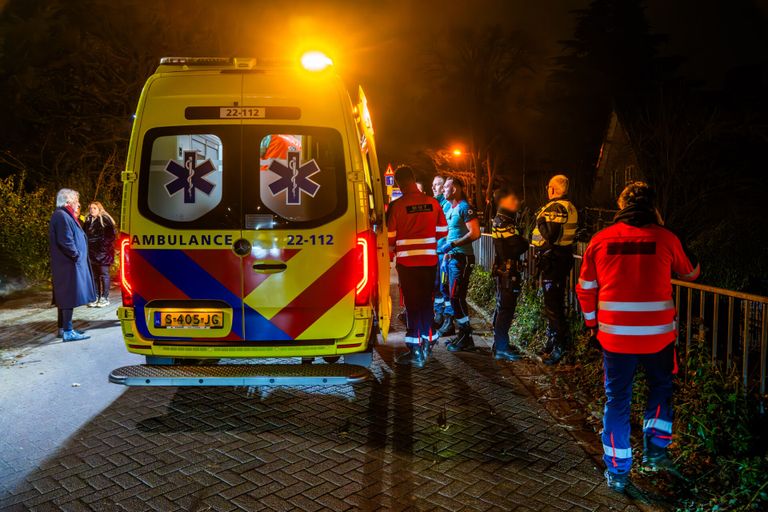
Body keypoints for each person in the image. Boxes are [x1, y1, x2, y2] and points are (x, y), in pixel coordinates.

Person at [576, 182, 700, 493]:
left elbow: (585, 288)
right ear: (653, 206)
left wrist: (592, 324)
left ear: (620, 205)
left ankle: (618, 472)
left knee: (618, 399)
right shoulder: (666, 238)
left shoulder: (601, 240)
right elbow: (692, 273)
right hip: (658, 338)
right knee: (660, 389)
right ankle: (656, 453)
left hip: (615, 338)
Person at [386, 166, 448, 367]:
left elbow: (390, 238)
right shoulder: (432, 203)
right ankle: (429, 339)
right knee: (425, 303)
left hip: (408, 264)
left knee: (412, 307)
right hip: (429, 262)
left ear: (398, 183)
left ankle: (415, 350)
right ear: (414, 179)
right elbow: (442, 232)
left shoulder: (396, 206)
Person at [531, 174, 578, 365]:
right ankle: (552, 342)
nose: (546, 190)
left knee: (553, 306)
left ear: (552, 189)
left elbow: (550, 235)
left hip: (555, 260)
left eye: (548, 187)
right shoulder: (568, 205)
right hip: (558, 259)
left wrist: (540, 221)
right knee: (552, 305)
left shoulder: (557, 207)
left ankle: (559, 346)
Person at [438, 178, 481, 352]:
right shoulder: (452, 208)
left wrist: (454, 245)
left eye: (446, 187)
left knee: (457, 298)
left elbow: (475, 233)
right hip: (452, 259)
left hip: (462, 259)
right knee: (452, 297)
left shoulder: (464, 207)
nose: (443, 190)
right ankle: (462, 334)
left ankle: (467, 337)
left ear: (454, 189)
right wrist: (447, 254)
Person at [49, 189, 97, 342]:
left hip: (68, 263)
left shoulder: (64, 215)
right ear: (68, 202)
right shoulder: (62, 216)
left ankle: (63, 329)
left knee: (65, 296)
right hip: (68, 263)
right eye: (76, 200)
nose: (78, 204)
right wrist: (76, 255)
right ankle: (68, 331)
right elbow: (65, 240)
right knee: (68, 296)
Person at [490, 189, 529, 361]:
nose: (516, 203)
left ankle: (499, 343)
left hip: (504, 271)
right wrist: (525, 240)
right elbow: (519, 246)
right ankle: (501, 347)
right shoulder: (504, 222)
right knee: (506, 309)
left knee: (502, 307)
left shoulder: (501, 220)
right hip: (508, 271)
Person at [83, 201, 117, 307]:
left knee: (104, 275)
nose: (92, 210)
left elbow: (111, 236)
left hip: (103, 253)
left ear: (99, 209)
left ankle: (104, 297)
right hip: (91, 253)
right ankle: (95, 296)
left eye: (94, 208)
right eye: (90, 208)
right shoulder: (88, 221)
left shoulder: (104, 220)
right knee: (94, 276)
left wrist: (103, 248)